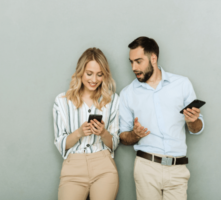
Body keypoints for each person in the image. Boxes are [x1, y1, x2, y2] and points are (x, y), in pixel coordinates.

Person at [119, 36, 205, 200]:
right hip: (146, 169)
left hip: (178, 169)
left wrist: (193, 121)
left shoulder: (182, 84)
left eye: (138, 61)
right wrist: (135, 135)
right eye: (131, 62)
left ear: (153, 58)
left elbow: (197, 128)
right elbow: (123, 137)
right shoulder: (127, 94)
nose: (133, 67)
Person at [53, 47, 120, 200]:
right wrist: (79, 133)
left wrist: (103, 133)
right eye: (89, 74)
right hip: (73, 167)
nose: (94, 80)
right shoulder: (62, 102)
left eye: (99, 74)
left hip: (103, 165)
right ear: (80, 72)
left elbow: (114, 143)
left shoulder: (113, 100)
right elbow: (61, 143)